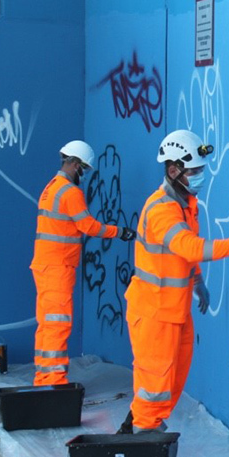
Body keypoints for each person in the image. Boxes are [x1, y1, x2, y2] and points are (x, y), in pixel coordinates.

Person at [119, 129, 229, 434]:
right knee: (156, 384)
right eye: (194, 171)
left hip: (173, 311)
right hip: (154, 313)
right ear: (174, 170)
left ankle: (144, 432)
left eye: (201, 170)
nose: (200, 177)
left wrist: (197, 280)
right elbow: (191, 247)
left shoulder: (185, 204)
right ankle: (142, 443)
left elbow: (181, 256)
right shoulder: (163, 209)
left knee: (172, 380)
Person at [31, 140, 137, 386]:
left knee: (47, 323)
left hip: (45, 264)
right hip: (58, 266)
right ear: (76, 164)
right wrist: (120, 231)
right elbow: (88, 226)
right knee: (58, 323)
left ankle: (43, 377)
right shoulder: (70, 192)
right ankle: (54, 381)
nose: (85, 175)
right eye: (85, 169)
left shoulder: (51, 187)